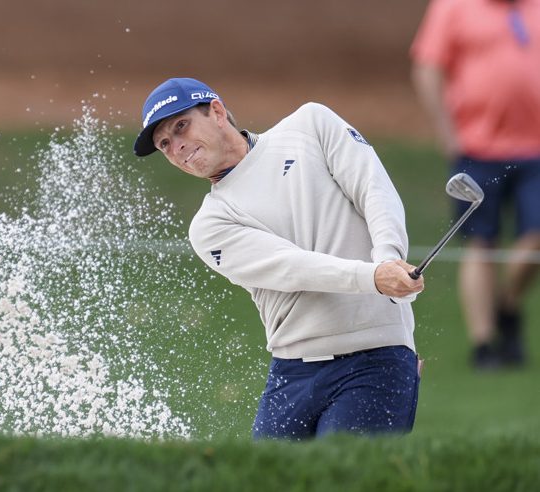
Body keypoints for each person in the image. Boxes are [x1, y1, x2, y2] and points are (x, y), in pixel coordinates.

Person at [132, 78, 424, 440]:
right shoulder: (210, 224)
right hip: (293, 372)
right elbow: (292, 267)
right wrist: (374, 276)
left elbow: (373, 187)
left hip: (375, 356)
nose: (177, 146)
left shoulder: (310, 126)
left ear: (218, 112)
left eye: (181, 126)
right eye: (164, 144)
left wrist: (389, 257)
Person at [411, 0, 540, 370]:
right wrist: (447, 134)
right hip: (478, 147)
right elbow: (427, 68)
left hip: (535, 149)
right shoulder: (453, 7)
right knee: (480, 242)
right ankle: (484, 343)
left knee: (536, 235)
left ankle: (507, 303)